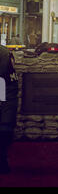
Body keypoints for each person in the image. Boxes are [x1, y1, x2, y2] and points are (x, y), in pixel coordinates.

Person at [0, 44, 18, 174]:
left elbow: (4, 82)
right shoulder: (5, 53)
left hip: (5, 96)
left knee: (4, 131)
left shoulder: (3, 54)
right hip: (6, 96)